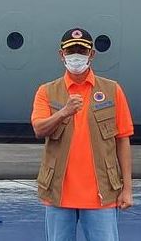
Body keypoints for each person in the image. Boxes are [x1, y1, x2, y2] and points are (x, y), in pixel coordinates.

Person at [31, 28, 134, 241]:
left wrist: (127, 190)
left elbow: (122, 140)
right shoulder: (46, 91)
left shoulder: (112, 90)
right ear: (61, 55)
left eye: (81, 50)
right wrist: (64, 112)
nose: (75, 56)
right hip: (58, 194)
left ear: (91, 55)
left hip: (101, 194)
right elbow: (39, 129)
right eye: (70, 51)